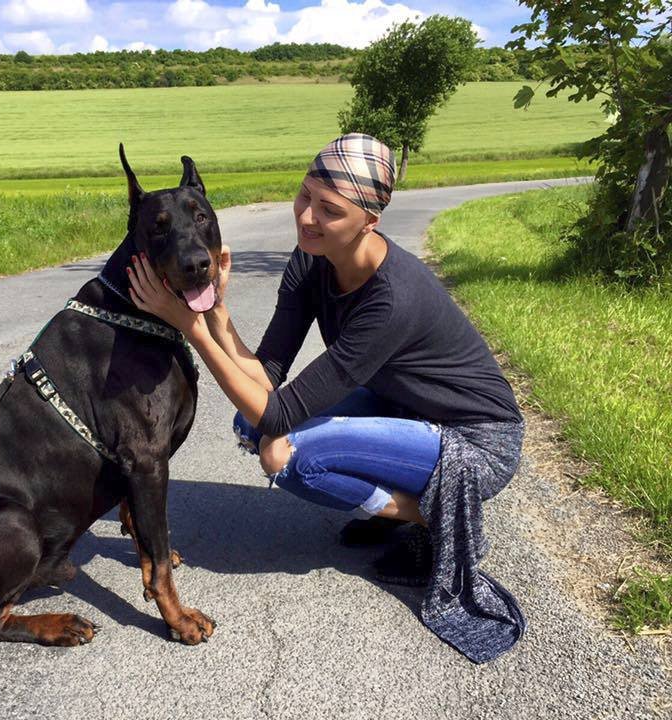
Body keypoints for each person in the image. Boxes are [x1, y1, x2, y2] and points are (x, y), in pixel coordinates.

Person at [127, 133, 528, 663]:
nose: (307, 218)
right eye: (304, 197)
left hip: (476, 444)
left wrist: (191, 327)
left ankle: (435, 515)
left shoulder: (391, 298)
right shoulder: (311, 259)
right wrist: (217, 313)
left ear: (370, 220)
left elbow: (277, 410)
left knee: (290, 455)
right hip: (405, 410)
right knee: (252, 429)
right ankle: (418, 509)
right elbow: (268, 375)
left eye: (329, 210)